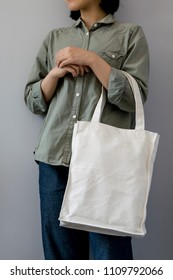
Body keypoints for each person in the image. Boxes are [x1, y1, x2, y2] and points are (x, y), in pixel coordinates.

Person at [24, 0, 149, 260]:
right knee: (61, 260)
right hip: (54, 159)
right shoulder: (56, 37)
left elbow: (133, 97)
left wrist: (91, 60)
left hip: (104, 166)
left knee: (110, 256)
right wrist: (55, 74)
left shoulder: (130, 34)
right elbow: (33, 101)